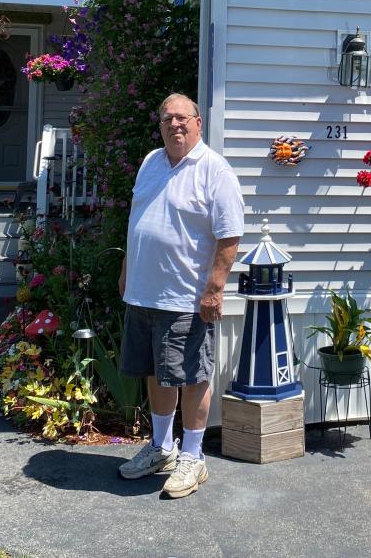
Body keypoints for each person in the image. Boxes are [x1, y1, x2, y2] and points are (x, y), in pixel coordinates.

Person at [117, 92, 245, 498]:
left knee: (192, 377)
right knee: (157, 372)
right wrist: (126, 269)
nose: (174, 124)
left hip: (186, 298)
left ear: (197, 124)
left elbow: (229, 235)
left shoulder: (215, 170)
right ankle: (161, 448)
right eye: (167, 118)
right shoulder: (151, 162)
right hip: (144, 293)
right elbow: (138, 219)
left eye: (182, 118)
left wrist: (214, 289)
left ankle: (193, 457)